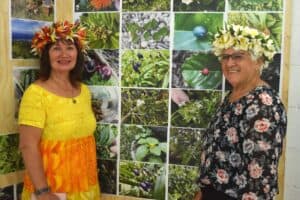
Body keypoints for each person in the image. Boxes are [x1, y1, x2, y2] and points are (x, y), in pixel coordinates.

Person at [194, 24, 287, 200]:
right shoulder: (233, 95)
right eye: (225, 57)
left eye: (238, 56)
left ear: (258, 60)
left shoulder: (263, 105)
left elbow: (259, 182)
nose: (229, 63)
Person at [18, 20, 100, 200]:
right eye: (56, 48)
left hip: (85, 187)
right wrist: (43, 192)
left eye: (70, 47)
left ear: (78, 53)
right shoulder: (36, 94)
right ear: (46, 55)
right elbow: (27, 145)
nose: (64, 54)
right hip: (52, 190)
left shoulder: (83, 91)